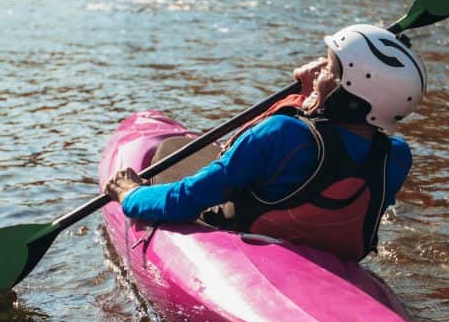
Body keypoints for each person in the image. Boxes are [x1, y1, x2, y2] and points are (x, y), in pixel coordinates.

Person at [104, 23, 426, 261]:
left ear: (351, 93)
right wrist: (316, 91)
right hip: (330, 259)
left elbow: (185, 200)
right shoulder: (396, 157)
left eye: (329, 68)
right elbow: (337, 147)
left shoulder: (282, 134)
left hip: (251, 248)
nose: (320, 71)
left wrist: (130, 195)